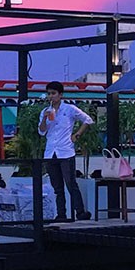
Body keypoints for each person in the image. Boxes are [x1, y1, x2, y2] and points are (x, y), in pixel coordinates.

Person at [38, 81, 93, 222]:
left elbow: (87, 119)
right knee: (57, 187)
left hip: (66, 151)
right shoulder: (45, 111)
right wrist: (44, 118)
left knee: (71, 183)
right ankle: (61, 214)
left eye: (53, 93)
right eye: (49, 94)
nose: (51, 96)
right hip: (51, 152)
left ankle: (80, 212)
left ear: (60, 94)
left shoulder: (69, 109)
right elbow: (42, 131)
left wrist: (77, 134)